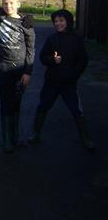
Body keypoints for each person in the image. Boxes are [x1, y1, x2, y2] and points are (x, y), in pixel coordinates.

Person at [30, 9, 94, 150]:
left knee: (76, 110)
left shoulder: (76, 39)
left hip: (68, 83)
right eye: (56, 21)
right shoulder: (52, 39)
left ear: (68, 22)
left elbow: (83, 61)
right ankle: (36, 134)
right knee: (43, 106)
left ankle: (86, 139)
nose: (58, 23)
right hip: (51, 82)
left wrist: (73, 75)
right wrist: (52, 60)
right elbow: (42, 57)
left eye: (61, 21)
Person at [0, 0, 35, 153]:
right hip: (4, 69)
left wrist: (28, 72)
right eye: (5, 3)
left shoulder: (26, 24)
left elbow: (31, 49)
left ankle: (15, 137)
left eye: (12, 3)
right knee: (5, 103)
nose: (8, 6)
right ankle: (6, 140)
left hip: (20, 71)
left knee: (16, 103)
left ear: (18, 3)